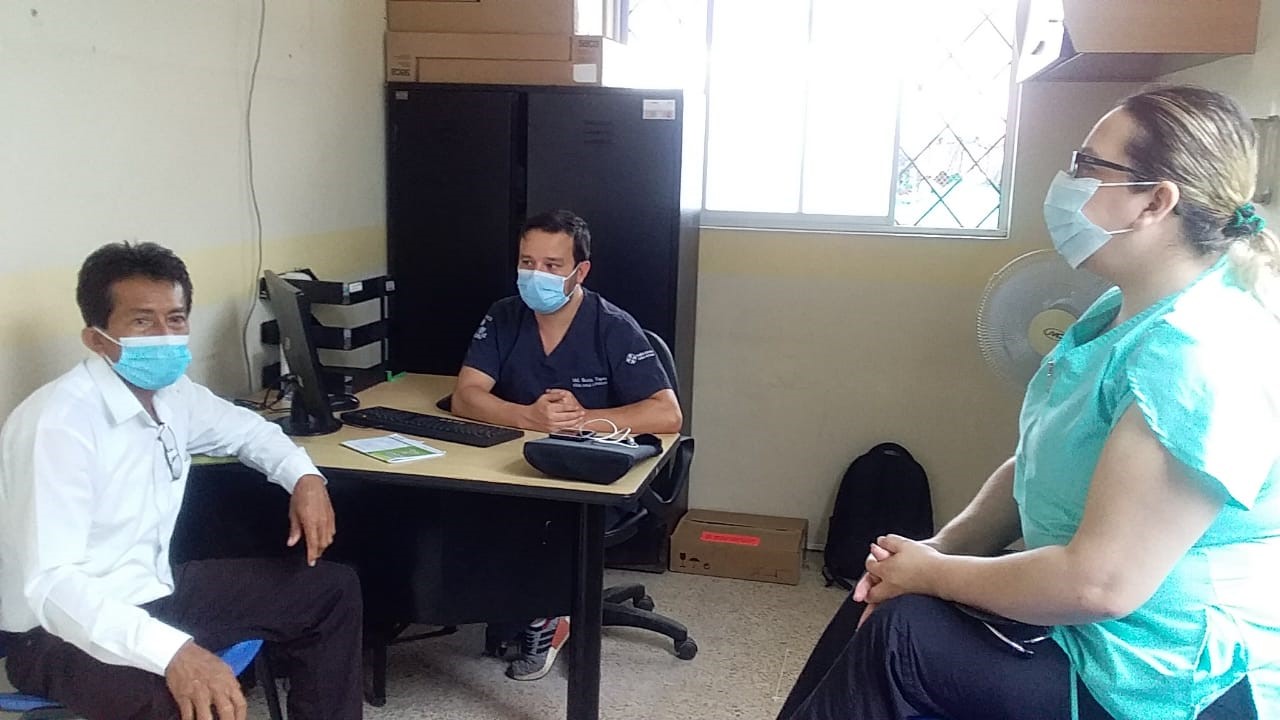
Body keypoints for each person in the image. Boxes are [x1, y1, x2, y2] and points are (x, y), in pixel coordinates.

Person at [780, 85, 1280, 720]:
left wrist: (932, 575)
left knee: (902, 636)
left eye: (1088, 166)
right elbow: (1040, 464)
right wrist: (935, 551)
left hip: (1164, 674)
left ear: (1155, 202)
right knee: (875, 598)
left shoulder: (1199, 353)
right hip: (1091, 630)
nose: (1067, 182)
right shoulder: (1118, 310)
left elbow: (1100, 584)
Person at [0, 242, 364, 720]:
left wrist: (305, 479)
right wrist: (173, 652)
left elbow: (249, 431)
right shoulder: (59, 424)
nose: (165, 336)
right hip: (56, 631)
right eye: (142, 321)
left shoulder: (173, 393)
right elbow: (53, 585)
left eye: (175, 319)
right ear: (96, 338)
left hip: (153, 590)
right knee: (182, 699)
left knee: (330, 591)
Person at [452, 209, 683, 681]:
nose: (536, 275)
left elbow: (667, 413)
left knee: (543, 517)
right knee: (461, 503)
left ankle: (549, 616)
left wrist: (581, 420)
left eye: (552, 265)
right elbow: (466, 395)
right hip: (516, 464)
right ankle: (505, 605)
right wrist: (527, 417)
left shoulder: (611, 326)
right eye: (527, 262)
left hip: (592, 473)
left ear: (581, 271)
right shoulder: (504, 315)